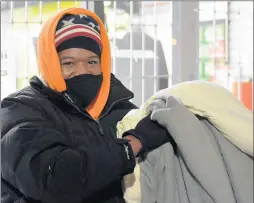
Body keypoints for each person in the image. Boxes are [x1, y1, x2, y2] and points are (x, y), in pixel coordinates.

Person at [1, 8, 173, 203]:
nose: (82, 71)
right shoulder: (19, 109)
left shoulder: (121, 109)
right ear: (49, 62)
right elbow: (53, 180)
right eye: (69, 63)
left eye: (92, 61)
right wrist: (131, 144)